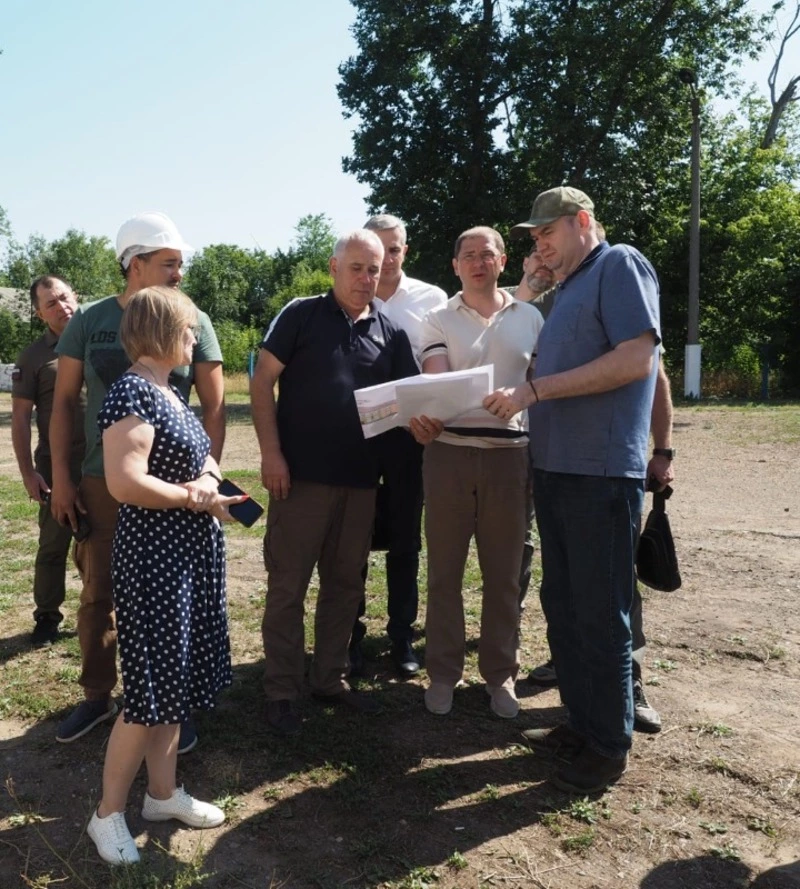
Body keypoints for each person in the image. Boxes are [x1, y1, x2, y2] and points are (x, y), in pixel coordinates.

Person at [486, 186, 661, 793]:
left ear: (582, 221)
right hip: (557, 470)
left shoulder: (620, 264)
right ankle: (583, 724)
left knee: (600, 612)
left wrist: (535, 391)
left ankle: (608, 745)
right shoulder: (567, 289)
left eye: (547, 233)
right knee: (563, 604)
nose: (539, 244)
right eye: (533, 237)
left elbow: (636, 360)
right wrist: (532, 287)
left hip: (600, 473)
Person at [49, 211, 225, 749]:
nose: (178, 273)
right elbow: (63, 403)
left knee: (176, 601)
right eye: (169, 263)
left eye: (179, 263)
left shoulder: (192, 318)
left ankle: (172, 704)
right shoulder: (90, 319)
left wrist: (208, 477)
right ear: (135, 264)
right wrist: (61, 477)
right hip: (101, 482)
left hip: (175, 492)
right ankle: (97, 696)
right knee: (98, 594)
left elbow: (214, 407)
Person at [87, 287, 241, 866]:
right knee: (150, 688)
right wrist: (192, 497)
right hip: (155, 560)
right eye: (189, 328)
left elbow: (202, 458)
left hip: (186, 556)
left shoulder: (169, 391)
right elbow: (124, 482)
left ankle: (161, 794)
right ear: (161, 331)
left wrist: (210, 482)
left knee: (174, 681)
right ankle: (106, 815)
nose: (195, 337)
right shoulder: (131, 392)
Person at [251, 229, 418, 736]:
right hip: (299, 481)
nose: (366, 279)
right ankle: (281, 691)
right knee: (288, 586)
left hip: (362, 484)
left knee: (346, 587)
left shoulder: (391, 332)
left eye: (374, 270)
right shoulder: (301, 315)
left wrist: (425, 420)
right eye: (356, 268)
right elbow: (262, 381)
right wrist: (272, 454)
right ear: (334, 267)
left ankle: (329, 679)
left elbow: (408, 402)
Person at [410, 226, 544, 719]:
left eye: (487, 254)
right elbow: (437, 378)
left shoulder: (531, 317)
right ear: (455, 266)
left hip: (510, 459)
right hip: (448, 455)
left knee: (504, 575)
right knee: (444, 572)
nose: (477, 262)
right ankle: (443, 673)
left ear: (503, 261)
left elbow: (539, 384)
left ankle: (500, 674)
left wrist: (522, 400)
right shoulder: (437, 318)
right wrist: (432, 410)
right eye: (468, 255)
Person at [347, 214, 448, 678]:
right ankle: (351, 634)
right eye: (379, 248)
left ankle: (402, 635)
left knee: (406, 539)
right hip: (358, 439)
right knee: (354, 538)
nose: (386, 258)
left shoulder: (432, 299)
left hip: (410, 439)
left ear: (406, 250)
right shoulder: (351, 295)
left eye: (395, 248)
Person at [11, 276, 85, 646]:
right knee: (54, 545)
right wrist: (29, 473)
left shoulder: (101, 341)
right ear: (40, 314)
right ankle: (47, 616)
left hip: (105, 464)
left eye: (64, 297)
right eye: (51, 304)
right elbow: (20, 418)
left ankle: (103, 609)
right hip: (56, 467)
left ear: (76, 297)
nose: (61, 307)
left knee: (105, 543)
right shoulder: (34, 357)